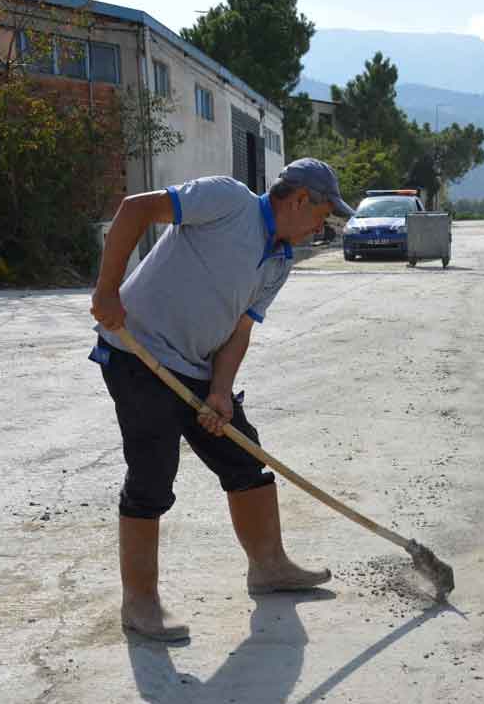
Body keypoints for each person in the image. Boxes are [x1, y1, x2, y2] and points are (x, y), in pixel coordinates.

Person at [89, 159, 355, 642]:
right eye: (322, 215)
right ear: (298, 200)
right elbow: (134, 210)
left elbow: (241, 329)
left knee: (243, 456)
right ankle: (140, 602)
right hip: (137, 352)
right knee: (152, 474)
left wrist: (220, 391)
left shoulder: (280, 260)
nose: (323, 226)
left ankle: (269, 567)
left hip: (198, 367)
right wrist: (107, 289)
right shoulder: (228, 201)